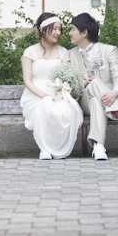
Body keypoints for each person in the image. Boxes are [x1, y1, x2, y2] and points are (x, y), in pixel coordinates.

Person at [69, 12, 118, 161]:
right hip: (84, 100)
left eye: (73, 29)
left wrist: (115, 92)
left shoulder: (109, 50)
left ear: (84, 33)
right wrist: (83, 84)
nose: (70, 33)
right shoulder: (70, 55)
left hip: (108, 99)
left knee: (96, 101)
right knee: (94, 83)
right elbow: (69, 85)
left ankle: (98, 146)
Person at [20, 12, 84, 160]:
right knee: (44, 108)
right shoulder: (30, 52)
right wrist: (44, 96)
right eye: (54, 28)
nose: (58, 32)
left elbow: (64, 77)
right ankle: (44, 149)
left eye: (59, 29)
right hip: (35, 95)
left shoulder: (63, 52)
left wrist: (59, 93)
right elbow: (27, 81)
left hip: (58, 93)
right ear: (43, 29)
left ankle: (56, 146)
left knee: (68, 109)